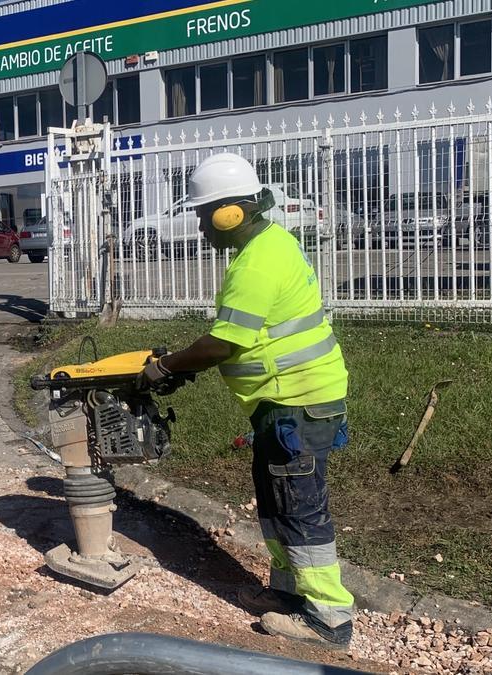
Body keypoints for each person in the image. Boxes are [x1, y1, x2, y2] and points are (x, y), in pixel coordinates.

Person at [137, 154, 355, 649]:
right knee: (277, 500)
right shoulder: (271, 243)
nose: (197, 225)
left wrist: (167, 365)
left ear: (229, 213)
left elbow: (223, 344)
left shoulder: (256, 262)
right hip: (281, 404)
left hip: (297, 403)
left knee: (300, 506)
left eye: (201, 214)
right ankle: (288, 593)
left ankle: (329, 618)